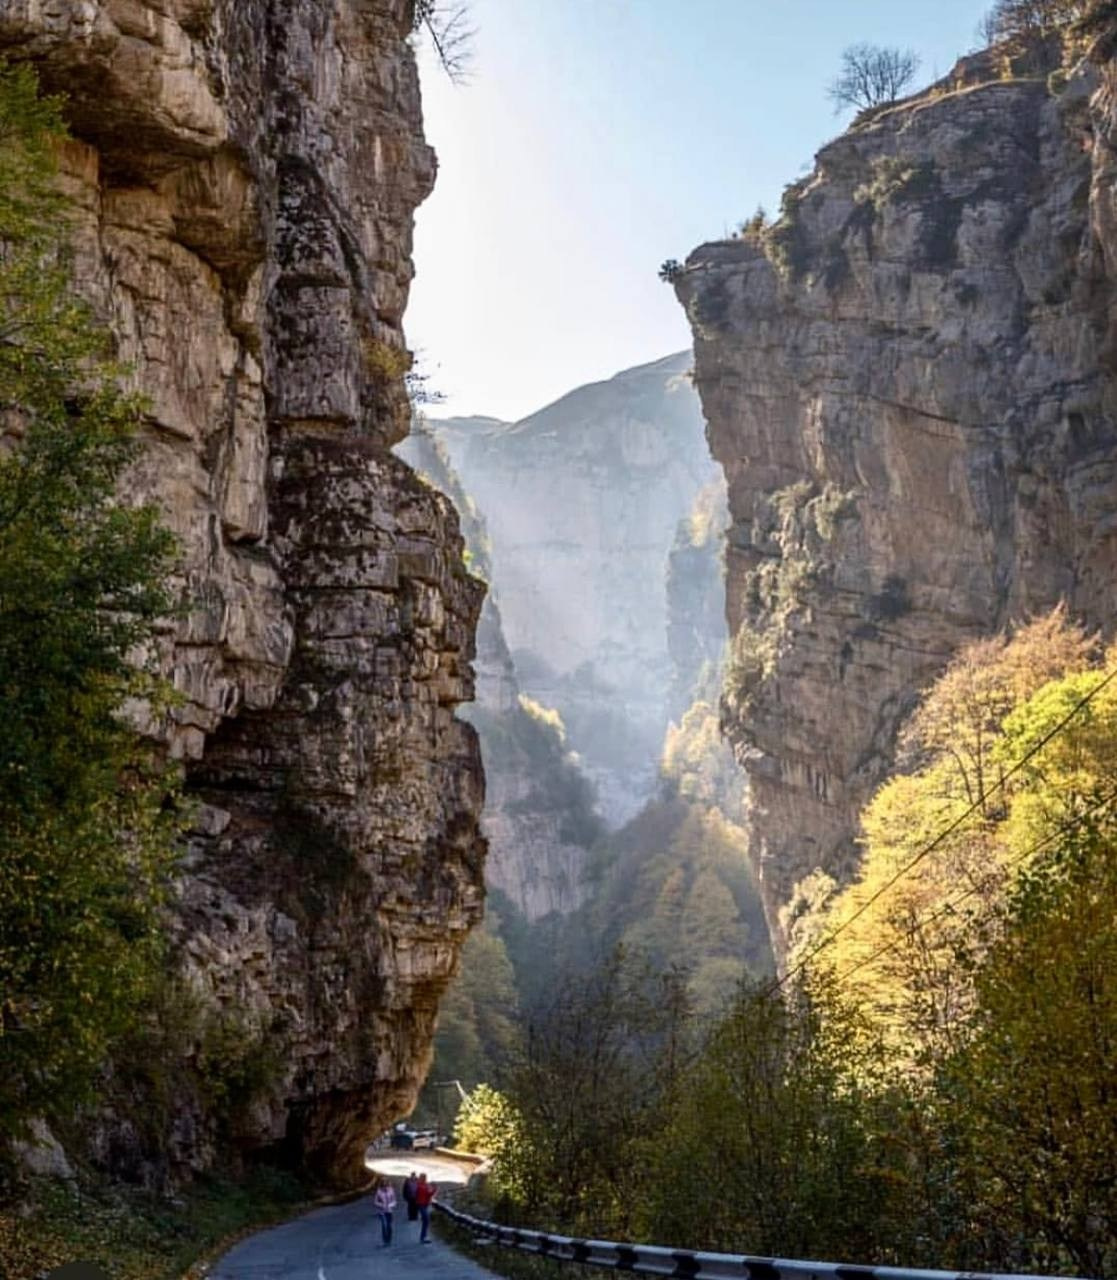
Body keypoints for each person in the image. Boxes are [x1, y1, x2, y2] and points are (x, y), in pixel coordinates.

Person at [373, 1177, 396, 1246]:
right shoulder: (379, 1191)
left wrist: (390, 1205)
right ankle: (385, 1241)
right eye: (383, 1183)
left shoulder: (391, 1190)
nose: (384, 1184)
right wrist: (381, 1205)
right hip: (382, 1212)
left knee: (389, 1226)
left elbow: (394, 1201)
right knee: (384, 1225)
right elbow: (375, 1202)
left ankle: (389, 1240)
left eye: (386, 1183)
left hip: (389, 1211)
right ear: (381, 1184)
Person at [414, 1171, 436, 1243]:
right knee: (426, 1220)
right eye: (423, 1178)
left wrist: (433, 1190)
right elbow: (427, 1194)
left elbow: (428, 1194)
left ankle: (423, 1236)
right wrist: (433, 1190)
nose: (424, 1179)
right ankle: (423, 1237)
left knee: (426, 1220)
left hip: (425, 1204)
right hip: (421, 1204)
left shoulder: (425, 1185)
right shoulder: (419, 1185)